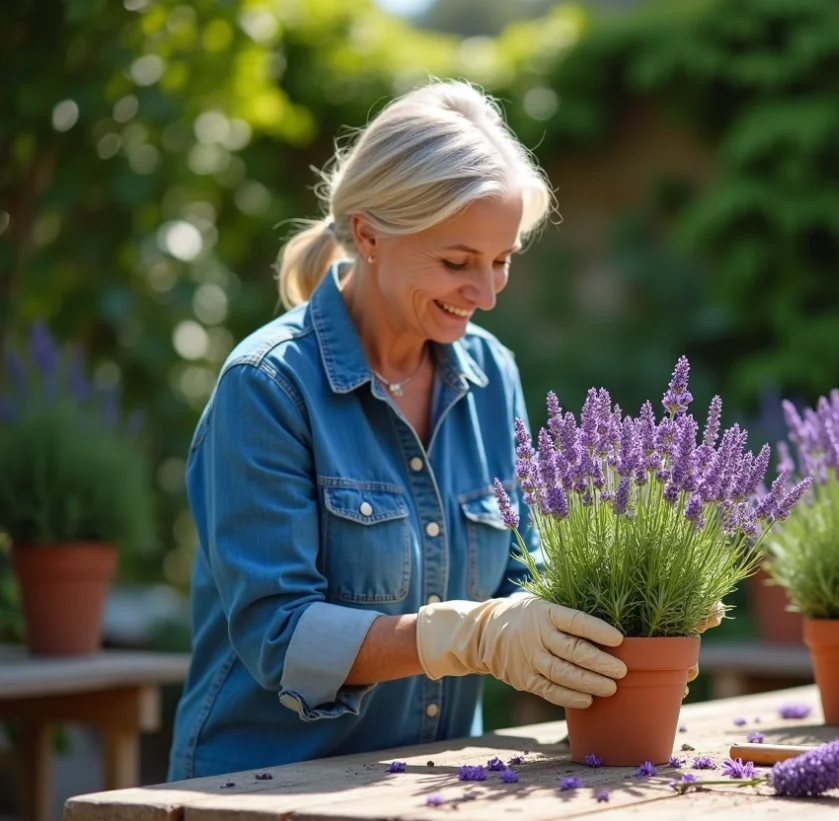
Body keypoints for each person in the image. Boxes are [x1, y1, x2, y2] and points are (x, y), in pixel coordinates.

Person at [167, 80, 720, 780]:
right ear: (368, 234)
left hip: (429, 784)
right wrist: (467, 636)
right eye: (458, 262)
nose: (486, 294)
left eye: (503, 260)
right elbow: (280, 636)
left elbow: (531, 570)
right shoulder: (269, 386)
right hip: (253, 785)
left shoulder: (493, 376)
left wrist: (627, 614)